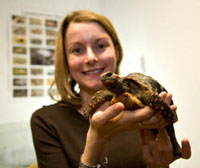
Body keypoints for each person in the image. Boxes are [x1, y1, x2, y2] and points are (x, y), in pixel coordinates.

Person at [31, 10, 191, 168]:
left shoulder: (149, 114)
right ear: (65, 60)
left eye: (100, 46)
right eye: (77, 50)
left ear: (117, 51)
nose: (91, 58)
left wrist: (158, 167)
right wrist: (97, 139)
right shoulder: (46, 122)